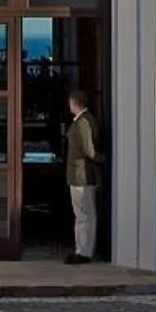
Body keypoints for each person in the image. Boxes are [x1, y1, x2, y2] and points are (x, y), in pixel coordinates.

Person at [63, 87, 100, 264]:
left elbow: (88, 149)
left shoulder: (83, 121)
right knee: (83, 213)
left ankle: (84, 251)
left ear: (74, 102)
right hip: (79, 174)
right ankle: (82, 249)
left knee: (84, 214)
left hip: (82, 175)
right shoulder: (83, 120)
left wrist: (101, 159)